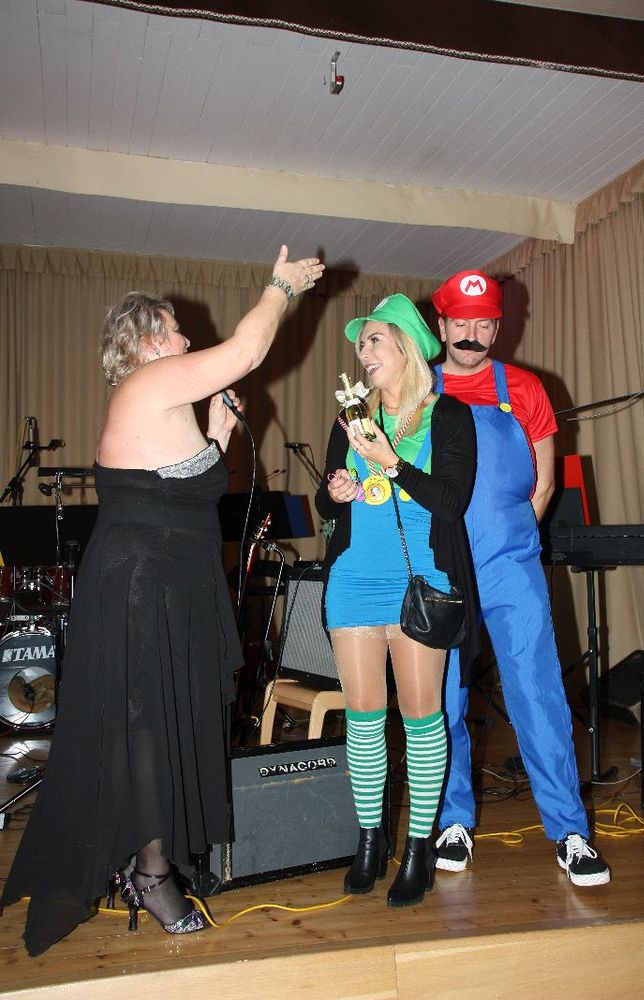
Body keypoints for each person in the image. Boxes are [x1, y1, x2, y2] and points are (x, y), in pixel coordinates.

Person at [1, 245, 325, 955]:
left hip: (171, 583)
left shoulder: (162, 402)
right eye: (175, 329)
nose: (185, 337)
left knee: (168, 721)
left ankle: (153, 857)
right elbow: (246, 349)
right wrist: (280, 286)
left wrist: (219, 432)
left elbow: (186, 485)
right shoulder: (146, 382)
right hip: (141, 586)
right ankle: (150, 873)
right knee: (146, 727)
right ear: (147, 340)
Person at [430, 269, 610, 887]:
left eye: (484, 324)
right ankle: (452, 820)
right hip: (441, 564)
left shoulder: (526, 388)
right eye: (461, 323)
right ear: (442, 326)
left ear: (497, 327)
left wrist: (508, 538)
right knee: (444, 698)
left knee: (538, 691)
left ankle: (570, 832)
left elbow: (545, 482)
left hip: (510, 564)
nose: (472, 334)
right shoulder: (417, 388)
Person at [315, 294, 477, 908]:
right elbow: (326, 500)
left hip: (421, 583)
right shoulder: (350, 418)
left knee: (420, 716)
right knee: (363, 720)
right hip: (354, 578)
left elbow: (452, 502)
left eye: (374, 340)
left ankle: (417, 849)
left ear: (407, 346)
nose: (364, 352)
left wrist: (391, 462)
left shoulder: (448, 416)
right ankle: (369, 842)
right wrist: (337, 489)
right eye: (361, 344)